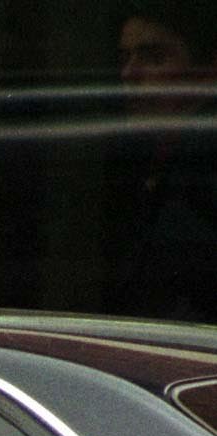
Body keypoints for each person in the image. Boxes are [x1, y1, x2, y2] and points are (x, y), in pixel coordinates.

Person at [108, 2, 217, 320]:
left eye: (154, 58)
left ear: (208, 71)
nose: (130, 75)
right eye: (124, 58)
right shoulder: (163, 161)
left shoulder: (201, 168)